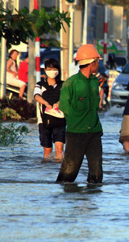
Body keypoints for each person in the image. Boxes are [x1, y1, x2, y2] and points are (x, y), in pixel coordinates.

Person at [56, 44, 104, 184]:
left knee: (97, 174)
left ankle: (93, 197)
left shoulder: (95, 82)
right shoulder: (70, 84)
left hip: (94, 132)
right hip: (76, 133)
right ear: (92, 63)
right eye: (97, 61)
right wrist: (77, 122)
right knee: (69, 173)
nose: (99, 64)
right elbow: (65, 108)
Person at [34, 58, 65, 162]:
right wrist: (46, 103)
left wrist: (58, 103)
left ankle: (59, 170)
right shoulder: (40, 84)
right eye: (49, 68)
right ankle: (47, 173)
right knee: (47, 151)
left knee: (59, 149)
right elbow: (36, 96)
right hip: (44, 121)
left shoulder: (63, 85)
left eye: (54, 68)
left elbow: (67, 97)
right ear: (45, 70)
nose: (52, 71)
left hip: (60, 120)